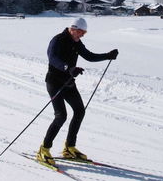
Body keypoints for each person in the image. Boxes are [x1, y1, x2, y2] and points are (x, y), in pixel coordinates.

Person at [37, 17, 119, 166]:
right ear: (73, 29)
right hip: (54, 82)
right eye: (81, 32)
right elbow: (52, 58)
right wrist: (69, 68)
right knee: (61, 116)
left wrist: (107, 56)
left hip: (68, 83)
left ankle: (69, 147)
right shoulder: (58, 40)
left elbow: (89, 56)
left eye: (84, 33)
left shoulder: (76, 42)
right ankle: (44, 149)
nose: (82, 35)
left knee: (80, 111)